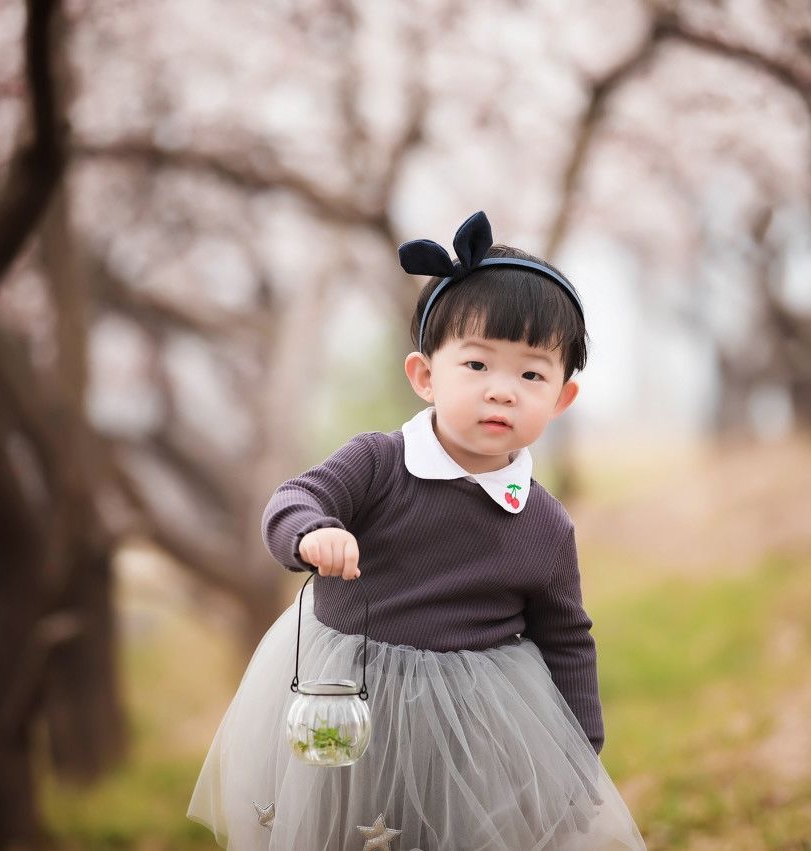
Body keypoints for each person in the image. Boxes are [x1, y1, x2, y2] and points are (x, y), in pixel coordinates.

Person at [187, 211, 647, 850]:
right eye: (478, 365)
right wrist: (311, 533)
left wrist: (575, 758)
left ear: (562, 398)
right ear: (426, 376)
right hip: (354, 701)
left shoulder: (543, 523)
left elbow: (567, 638)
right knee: (345, 832)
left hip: (476, 725)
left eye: (531, 374)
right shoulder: (378, 463)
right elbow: (296, 498)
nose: (503, 392)